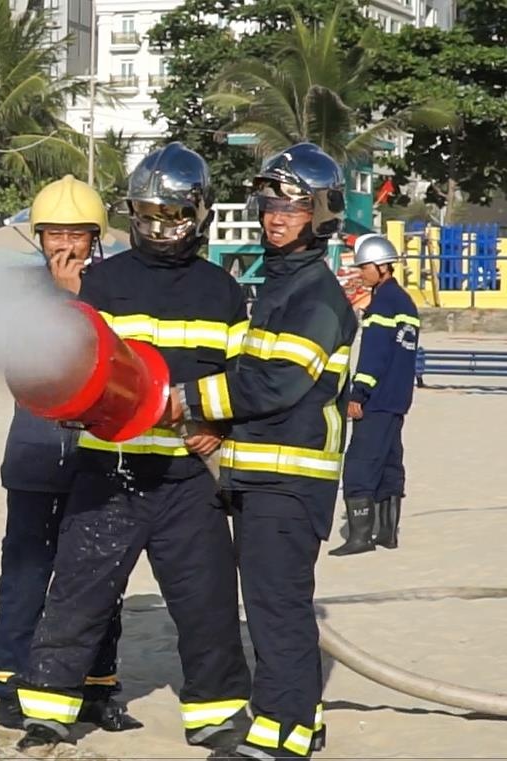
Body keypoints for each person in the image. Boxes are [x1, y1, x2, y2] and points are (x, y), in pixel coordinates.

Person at [13, 154, 253, 753]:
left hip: (186, 478)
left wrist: (216, 428)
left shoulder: (223, 291)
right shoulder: (101, 283)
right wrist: (68, 303)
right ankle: (48, 711)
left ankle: (215, 715)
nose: (161, 226)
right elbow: (61, 372)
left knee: (207, 603)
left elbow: (240, 377)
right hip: (109, 470)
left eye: (174, 215)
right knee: (77, 594)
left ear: (198, 215)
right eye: (148, 214)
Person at [167, 143, 359, 759]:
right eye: (270, 203)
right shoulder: (278, 287)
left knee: (277, 609)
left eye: (294, 207)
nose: (276, 217)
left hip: (290, 484)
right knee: (271, 607)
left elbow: (269, 385)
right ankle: (292, 714)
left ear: (322, 214)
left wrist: (187, 400)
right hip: (259, 479)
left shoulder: (315, 298)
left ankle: (285, 734)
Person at [0, 174, 125, 732]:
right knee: (25, 570)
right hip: (37, 452)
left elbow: (122, 357)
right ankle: (12, 679)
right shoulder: (18, 295)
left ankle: (96, 682)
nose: (64, 245)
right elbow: (23, 367)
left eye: (76, 233)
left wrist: (80, 300)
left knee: (98, 569)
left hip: (98, 451)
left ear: (94, 238)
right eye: (54, 234)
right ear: (38, 238)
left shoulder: (113, 288)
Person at [328, 233, 419, 555]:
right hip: (398, 398)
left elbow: (375, 355)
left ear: (382, 267)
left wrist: (359, 392)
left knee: (360, 464)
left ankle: (360, 537)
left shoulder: (382, 304)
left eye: (364, 266)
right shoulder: (405, 302)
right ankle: (386, 533)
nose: (360, 272)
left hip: (377, 399)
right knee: (390, 463)